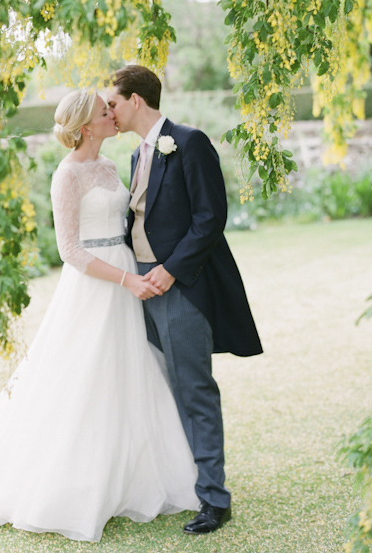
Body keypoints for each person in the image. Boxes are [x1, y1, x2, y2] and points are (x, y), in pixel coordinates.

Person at [0, 88, 200, 543]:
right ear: (82, 127)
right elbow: (69, 251)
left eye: (110, 109)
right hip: (96, 285)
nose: (112, 115)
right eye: (103, 112)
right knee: (82, 377)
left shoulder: (111, 166)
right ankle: (75, 486)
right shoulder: (67, 175)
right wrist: (126, 280)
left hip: (128, 274)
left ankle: (136, 477)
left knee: (129, 373)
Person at [107, 64, 263, 535]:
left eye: (112, 103)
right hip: (138, 288)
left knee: (193, 390)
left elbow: (210, 218)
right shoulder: (137, 156)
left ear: (136, 100)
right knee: (158, 388)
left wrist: (170, 272)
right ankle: (173, 482)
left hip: (180, 289)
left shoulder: (189, 142)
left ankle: (215, 499)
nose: (108, 112)